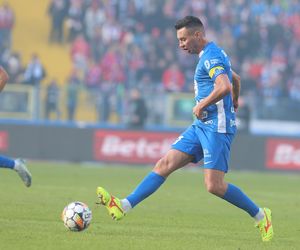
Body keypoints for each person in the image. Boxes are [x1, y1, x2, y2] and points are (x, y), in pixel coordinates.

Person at [96, 16, 273, 242]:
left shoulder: (210, 56)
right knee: (164, 164)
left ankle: (261, 216)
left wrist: (202, 103)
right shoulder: (212, 54)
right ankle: (123, 205)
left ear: (197, 35)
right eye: (179, 40)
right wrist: (235, 101)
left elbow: (225, 85)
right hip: (201, 125)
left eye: (183, 39)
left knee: (214, 186)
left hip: (216, 128)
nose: (180, 44)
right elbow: (235, 79)